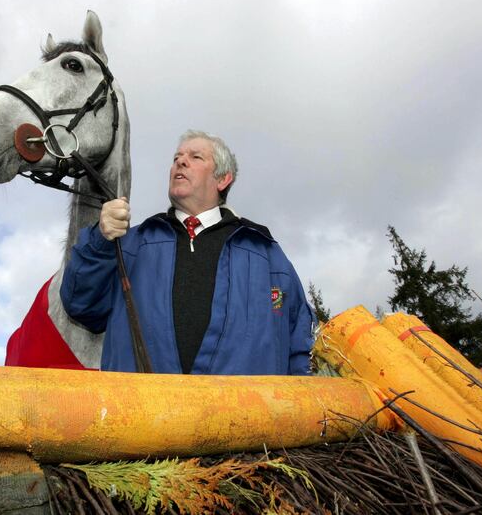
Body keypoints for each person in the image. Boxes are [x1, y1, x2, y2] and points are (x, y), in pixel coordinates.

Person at [60, 130, 315, 375]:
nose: (180, 161)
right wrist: (100, 240)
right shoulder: (130, 245)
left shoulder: (266, 255)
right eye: (176, 158)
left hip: (242, 417)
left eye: (195, 157)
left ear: (223, 178)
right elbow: (81, 305)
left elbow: (301, 346)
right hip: (144, 415)